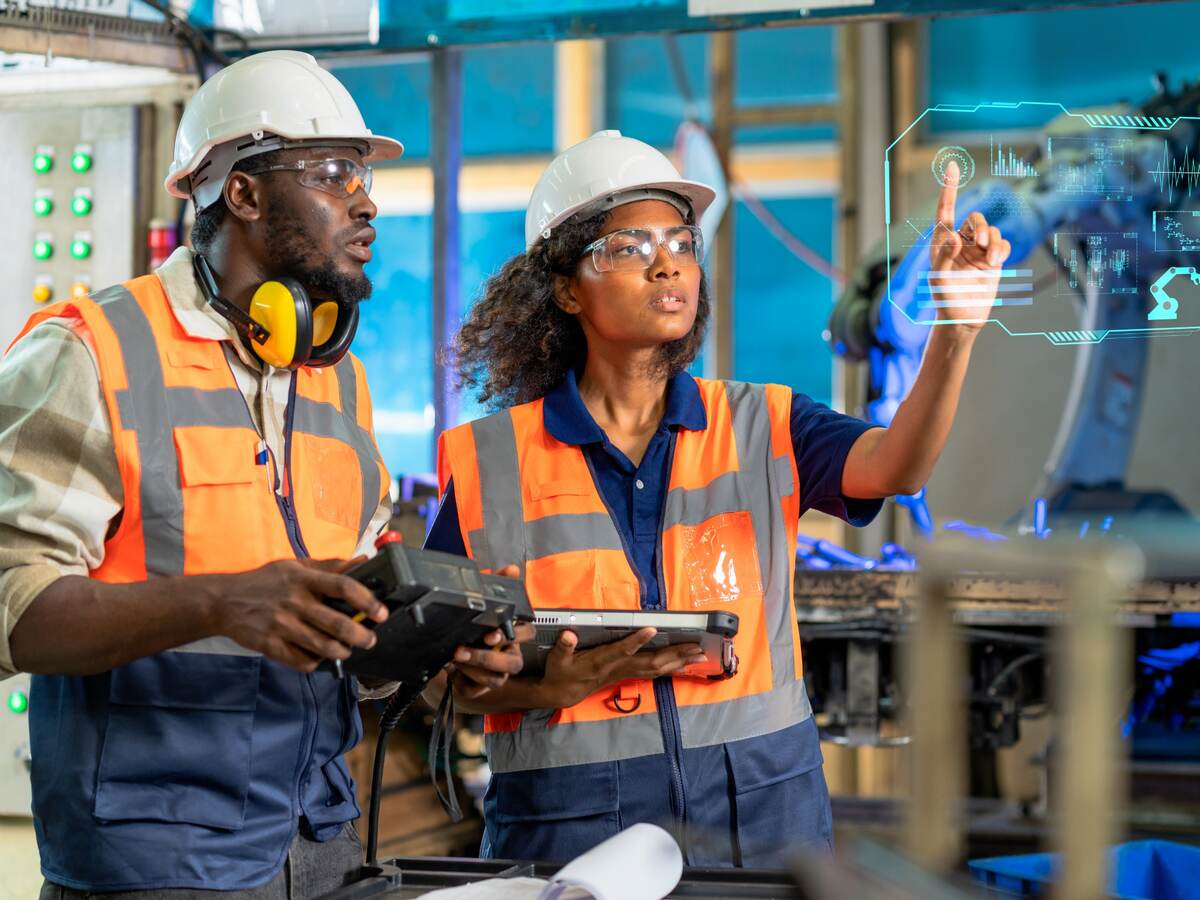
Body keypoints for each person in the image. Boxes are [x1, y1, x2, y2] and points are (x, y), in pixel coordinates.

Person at [0, 51, 523, 898]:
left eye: (362, 176)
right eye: (331, 173)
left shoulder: (335, 380)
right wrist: (219, 601)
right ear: (240, 193)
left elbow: (341, 635)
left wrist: (432, 639)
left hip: (321, 841)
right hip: (154, 860)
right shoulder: (91, 352)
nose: (365, 202)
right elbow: (12, 606)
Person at [425, 130, 1010, 866]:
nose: (667, 261)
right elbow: (447, 683)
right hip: (571, 839)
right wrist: (544, 689)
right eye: (628, 248)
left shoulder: (764, 423)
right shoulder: (489, 462)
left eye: (680, 241)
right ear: (566, 287)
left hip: (760, 827)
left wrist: (954, 332)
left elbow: (897, 467)